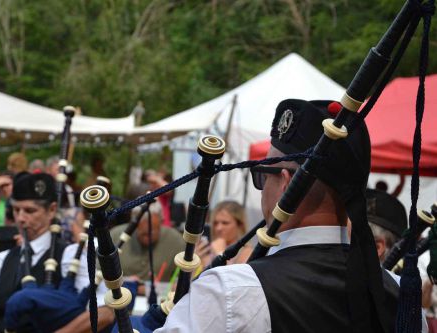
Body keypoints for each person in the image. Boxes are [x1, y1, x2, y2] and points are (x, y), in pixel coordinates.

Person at [156, 99, 428, 332]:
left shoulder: (229, 292)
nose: (262, 189)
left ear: (285, 183)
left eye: (263, 175)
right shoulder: (402, 296)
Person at [0, 173, 113, 333]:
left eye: (29, 210)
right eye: (16, 210)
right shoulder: (2, 259)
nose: (20, 218)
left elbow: (104, 312)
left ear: (52, 210)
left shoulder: (70, 254)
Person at [110, 201, 184, 282]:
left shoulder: (176, 241)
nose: (148, 238)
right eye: (143, 234)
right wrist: (125, 282)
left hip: (161, 293)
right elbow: (100, 273)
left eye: (152, 232)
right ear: (133, 225)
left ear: (161, 223)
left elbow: (182, 279)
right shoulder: (115, 236)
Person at [196, 200, 252, 268]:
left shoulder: (247, 253)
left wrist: (220, 254)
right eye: (215, 223)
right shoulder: (209, 250)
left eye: (225, 223)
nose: (218, 228)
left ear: (240, 225)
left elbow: (234, 277)